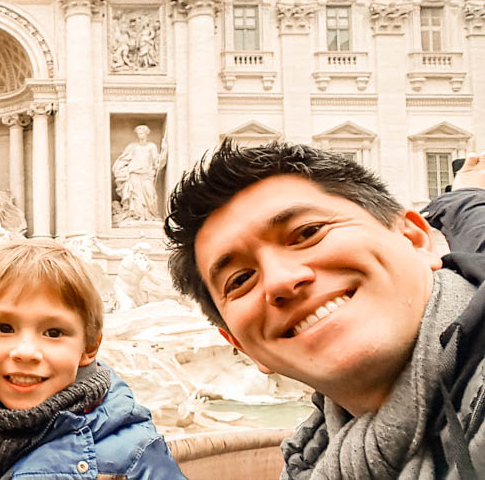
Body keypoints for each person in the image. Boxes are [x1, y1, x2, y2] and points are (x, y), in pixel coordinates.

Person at [164, 142, 485, 478]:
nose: (280, 281)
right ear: (241, 346)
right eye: (241, 279)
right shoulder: (306, 460)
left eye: (308, 233)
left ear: (415, 239)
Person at [0, 240, 185, 479]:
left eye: (53, 332)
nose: (26, 352)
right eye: (4, 328)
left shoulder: (131, 450)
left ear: (89, 347)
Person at [112, 125, 168, 223]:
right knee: (136, 196)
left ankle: (151, 215)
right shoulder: (132, 146)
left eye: (142, 132)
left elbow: (157, 162)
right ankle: (137, 217)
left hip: (147, 175)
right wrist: (119, 170)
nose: (140, 134)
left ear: (146, 133)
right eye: (138, 133)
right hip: (134, 174)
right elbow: (123, 159)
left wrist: (164, 150)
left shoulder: (151, 146)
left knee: (150, 194)